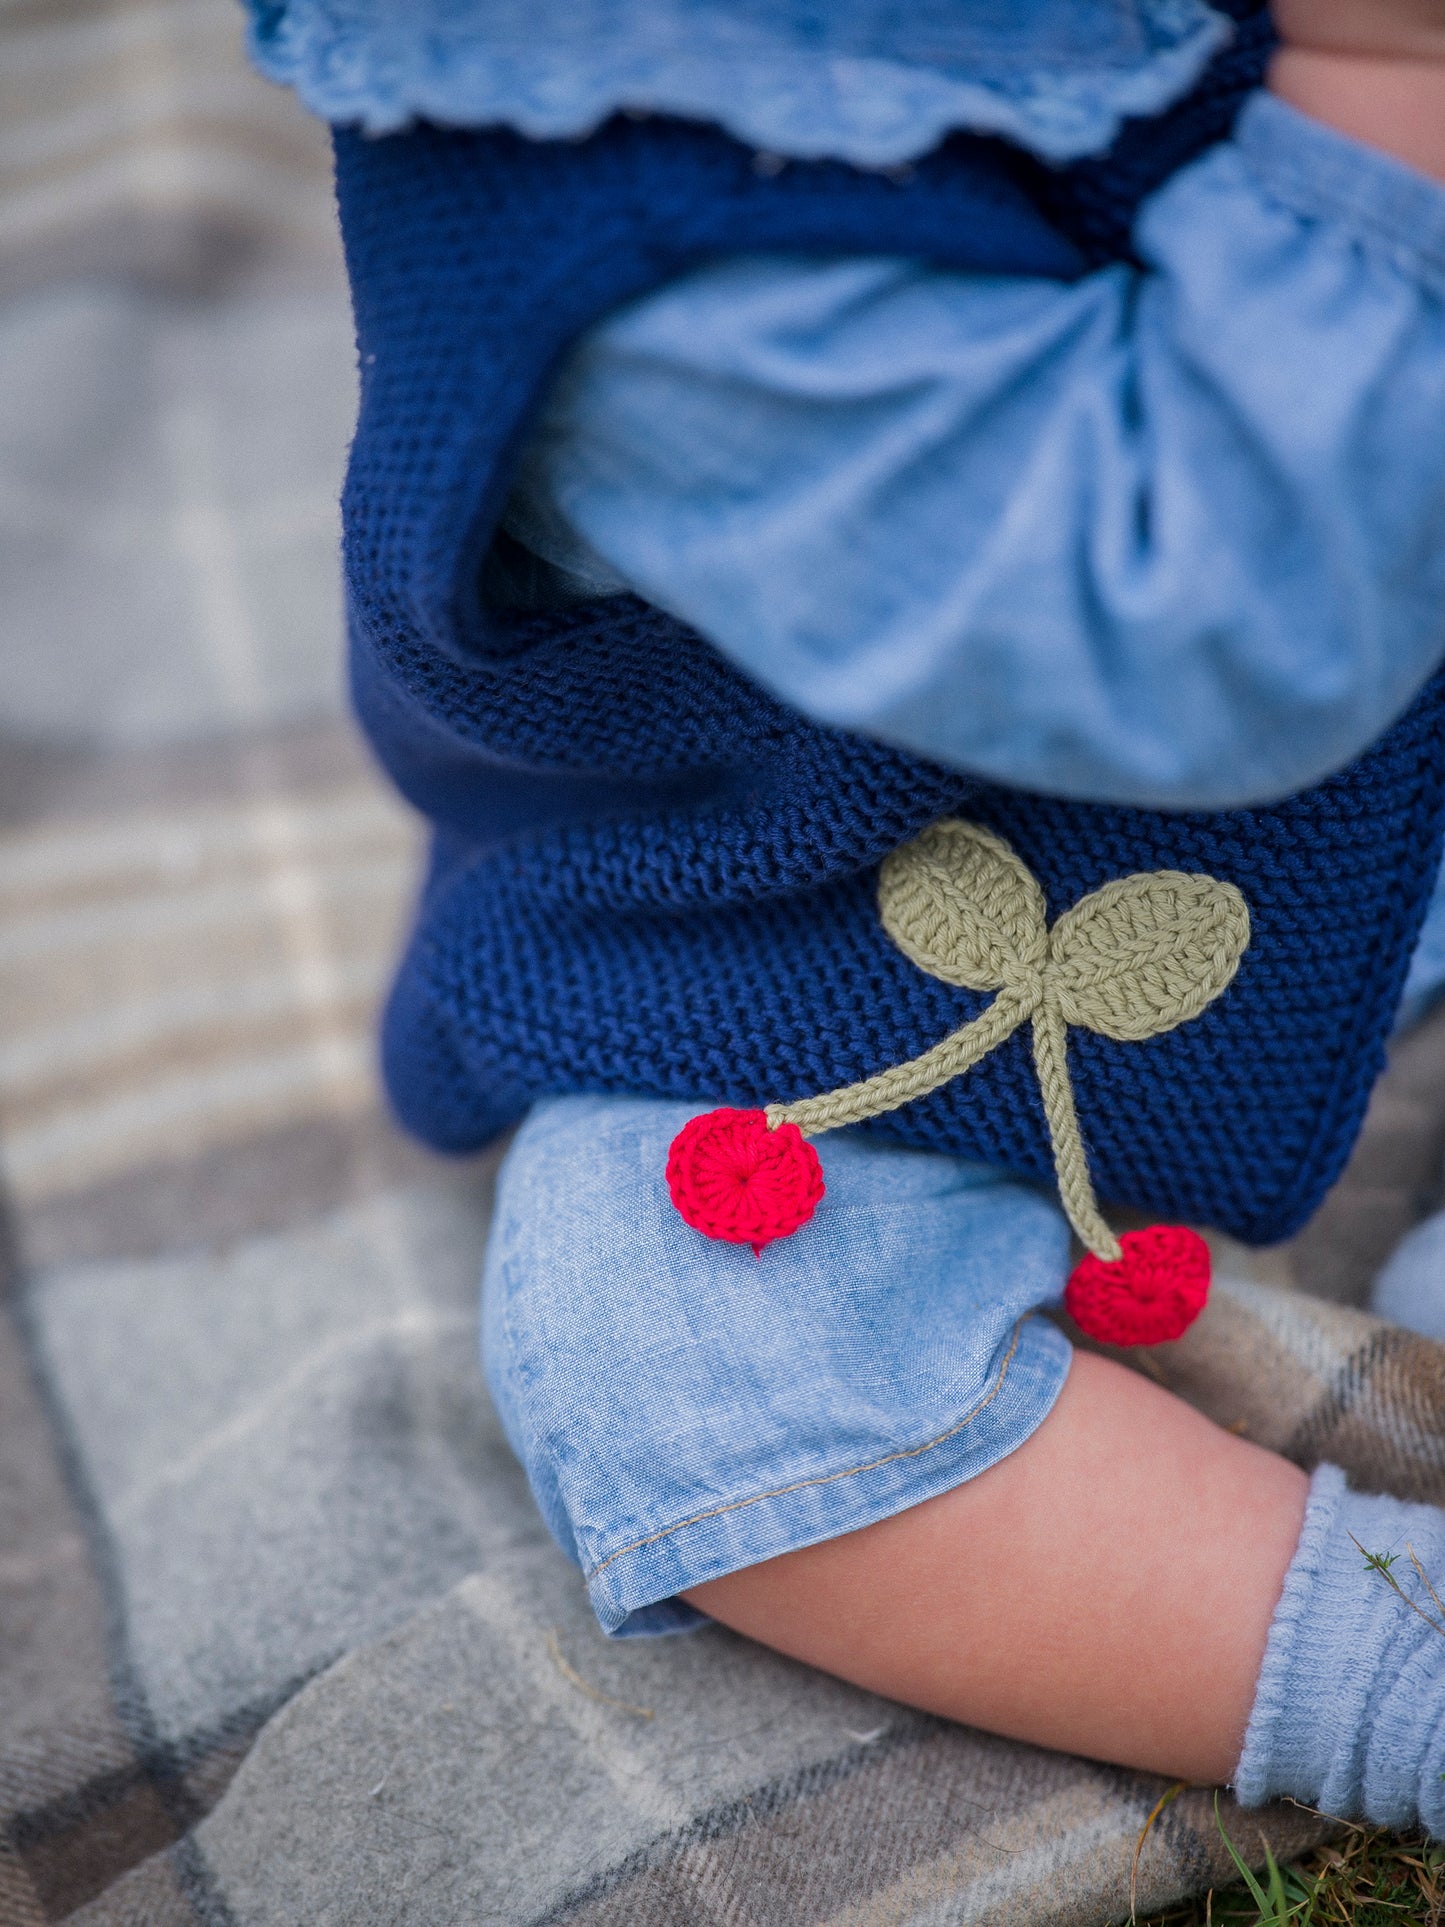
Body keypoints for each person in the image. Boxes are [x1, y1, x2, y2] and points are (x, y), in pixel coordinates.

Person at [248, 0, 1445, 1828]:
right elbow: (1183, 630)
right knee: (675, 1350)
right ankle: (1392, 1667)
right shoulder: (650, 187)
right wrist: (1386, 99)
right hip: (848, 910)